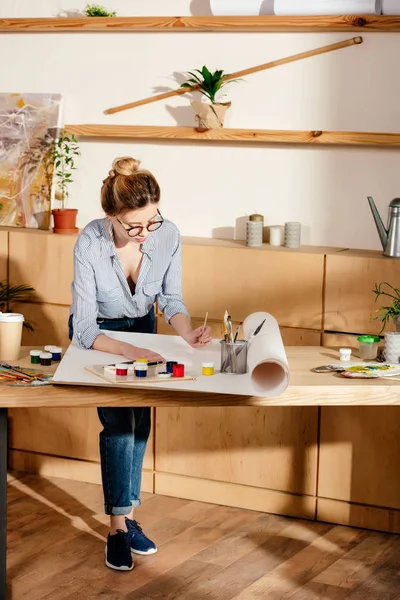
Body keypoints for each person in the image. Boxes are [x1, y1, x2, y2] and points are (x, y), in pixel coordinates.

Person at [69, 156, 212, 571]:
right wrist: (130, 350)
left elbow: (170, 299)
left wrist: (186, 333)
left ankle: (127, 517)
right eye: (134, 227)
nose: (145, 235)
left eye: (153, 222)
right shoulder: (91, 241)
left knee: (141, 422)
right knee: (119, 423)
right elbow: (82, 327)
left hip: (144, 330)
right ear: (110, 216)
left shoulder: (167, 236)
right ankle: (116, 528)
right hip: (104, 339)